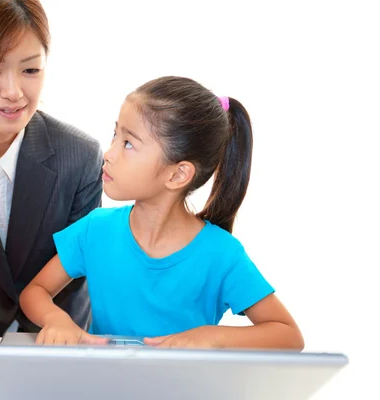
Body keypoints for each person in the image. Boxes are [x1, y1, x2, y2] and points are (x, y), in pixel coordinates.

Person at [20, 76, 305, 349]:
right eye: (115, 135)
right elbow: (35, 292)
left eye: (128, 143)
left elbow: (288, 335)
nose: (109, 153)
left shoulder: (222, 254)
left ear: (178, 174)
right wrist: (56, 319)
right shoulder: (95, 230)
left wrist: (211, 336)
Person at [0, 0, 103, 336]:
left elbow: (77, 272)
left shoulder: (81, 156)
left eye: (30, 70)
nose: (13, 92)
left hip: (56, 346)